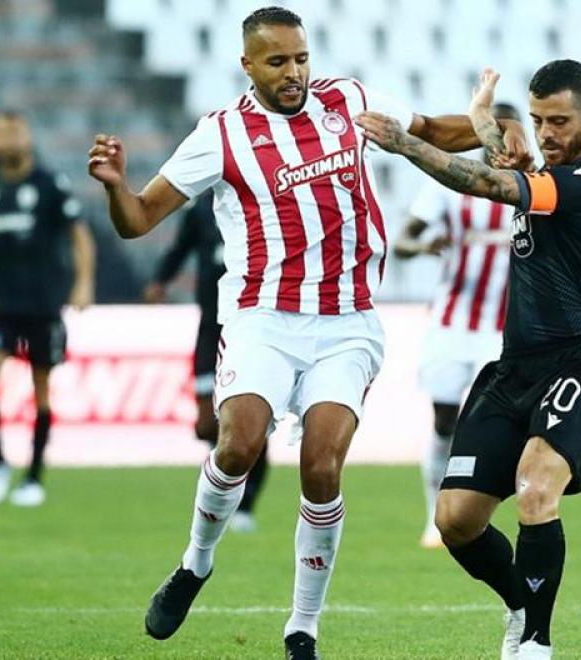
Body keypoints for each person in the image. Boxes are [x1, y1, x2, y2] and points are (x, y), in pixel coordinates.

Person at [87, 7, 529, 658]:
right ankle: (194, 564)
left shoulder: (346, 101)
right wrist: (115, 188)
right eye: (277, 62)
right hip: (262, 318)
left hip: (346, 321)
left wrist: (496, 128)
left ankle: (303, 627)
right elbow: (138, 219)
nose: (293, 72)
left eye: (300, 58)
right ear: (248, 66)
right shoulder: (221, 134)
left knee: (321, 467)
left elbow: (432, 130)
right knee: (238, 445)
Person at [358, 62, 581, 660]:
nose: (547, 134)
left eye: (560, 121)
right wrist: (483, 114)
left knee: (535, 486)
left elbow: (490, 183)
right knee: (455, 519)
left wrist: (405, 143)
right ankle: (519, 605)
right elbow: (501, 150)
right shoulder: (549, 169)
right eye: (538, 120)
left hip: (580, 361)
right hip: (516, 365)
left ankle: (535, 643)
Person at [392, 103, 520, 549]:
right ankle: (434, 514)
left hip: (503, 330)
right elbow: (401, 241)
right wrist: (425, 245)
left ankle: (476, 515)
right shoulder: (449, 185)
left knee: (491, 426)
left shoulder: (530, 188)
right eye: (492, 131)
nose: (501, 141)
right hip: (452, 323)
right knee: (445, 420)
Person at [0, 110, 96, 507]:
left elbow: (80, 236)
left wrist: (83, 282)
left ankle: (34, 475)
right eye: (0, 133)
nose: (8, 139)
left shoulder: (50, 185)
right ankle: (0, 462)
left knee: (41, 390)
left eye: (14, 132)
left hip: (42, 303)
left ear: (28, 137)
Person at [144, 192, 267, 533]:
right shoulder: (200, 207)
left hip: (253, 327)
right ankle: (226, 487)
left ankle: (246, 503)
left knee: (253, 420)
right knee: (206, 425)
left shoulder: (263, 195)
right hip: (211, 328)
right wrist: (160, 280)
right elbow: (180, 247)